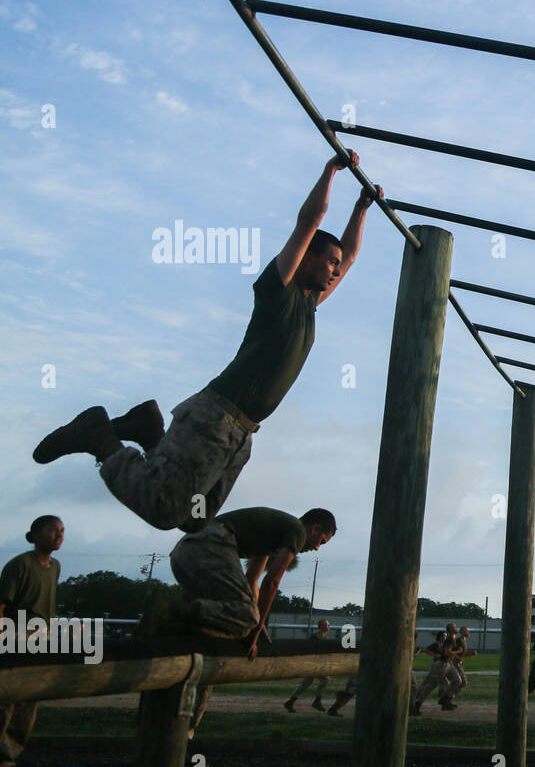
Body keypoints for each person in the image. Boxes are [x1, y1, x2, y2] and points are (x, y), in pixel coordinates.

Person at [33, 153, 382, 531]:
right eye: (329, 262)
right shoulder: (277, 291)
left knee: (195, 519)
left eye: (337, 265)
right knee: (165, 511)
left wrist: (362, 209)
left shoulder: (308, 306)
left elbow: (348, 258)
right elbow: (308, 221)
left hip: (242, 433)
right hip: (217, 417)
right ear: (308, 258)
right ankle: (98, 436)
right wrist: (330, 171)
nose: (335, 271)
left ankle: (152, 434)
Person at [165, 506, 336, 735]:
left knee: (213, 635)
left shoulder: (270, 537)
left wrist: (255, 623)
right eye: (321, 541)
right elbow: (272, 582)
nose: (316, 548)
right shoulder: (297, 530)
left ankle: (188, 724)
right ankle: (176, 612)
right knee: (247, 616)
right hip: (209, 545)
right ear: (315, 529)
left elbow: (252, 580)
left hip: (187, 552)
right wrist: (255, 626)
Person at [0, 515, 63, 767]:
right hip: (16, 642)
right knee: (5, 709)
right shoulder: (19, 565)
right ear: (35, 534)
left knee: (25, 714)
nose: (59, 535)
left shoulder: (56, 568)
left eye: (61, 531)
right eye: (52, 530)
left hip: (42, 642)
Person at [284, 618, 333, 712]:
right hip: (313, 664)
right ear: (321, 626)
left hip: (316, 664)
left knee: (306, 684)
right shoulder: (315, 637)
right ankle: (316, 702)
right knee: (324, 680)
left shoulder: (324, 636)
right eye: (327, 624)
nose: (329, 626)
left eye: (328, 624)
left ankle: (290, 702)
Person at [410, 631, 449, 715]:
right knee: (429, 684)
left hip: (443, 666)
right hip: (437, 666)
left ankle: (445, 700)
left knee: (441, 683)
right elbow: (427, 650)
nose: (445, 637)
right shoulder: (436, 644)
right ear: (440, 637)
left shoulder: (445, 645)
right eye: (444, 636)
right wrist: (435, 655)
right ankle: (416, 703)